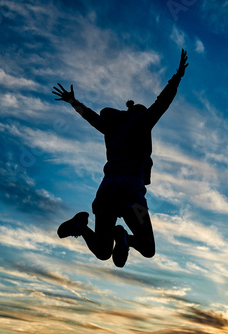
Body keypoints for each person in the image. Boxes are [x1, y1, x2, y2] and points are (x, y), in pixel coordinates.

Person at [52, 49, 188, 267]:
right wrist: (178, 76)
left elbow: (91, 117)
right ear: (139, 114)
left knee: (103, 251)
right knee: (148, 247)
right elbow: (162, 102)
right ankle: (124, 238)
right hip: (132, 191)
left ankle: (81, 226)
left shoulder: (111, 129)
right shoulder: (141, 123)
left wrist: (73, 101)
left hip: (107, 188)